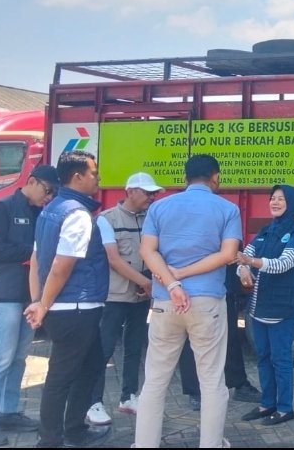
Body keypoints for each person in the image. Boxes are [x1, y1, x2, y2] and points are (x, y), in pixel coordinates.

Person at [134, 154, 242, 449]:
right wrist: (184, 274)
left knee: (155, 381)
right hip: (207, 303)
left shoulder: (159, 207)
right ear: (215, 176)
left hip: (165, 301)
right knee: (211, 382)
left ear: (185, 178)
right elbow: (227, 254)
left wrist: (172, 281)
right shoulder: (228, 209)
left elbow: (147, 251)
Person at [24, 151, 111, 448]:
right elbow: (62, 266)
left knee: (90, 367)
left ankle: (74, 430)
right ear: (78, 176)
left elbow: (37, 260)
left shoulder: (50, 209)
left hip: (68, 307)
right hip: (76, 308)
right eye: (94, 173)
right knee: (62, 377)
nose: (97, 179)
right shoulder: (77, 213)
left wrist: (39, 300)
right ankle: (50, 440)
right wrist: (43, 304)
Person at [0, 165, 58, 447]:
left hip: (26, 297)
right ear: (31, 182)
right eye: (47, 190)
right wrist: (33, 254)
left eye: (53, 193)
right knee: (1, 357)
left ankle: (8, 411)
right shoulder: (1, 207)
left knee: (19, 357)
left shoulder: (39, 213)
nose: (49, 196)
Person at [84, 172, 161, 426]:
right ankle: (92, 402)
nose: (152, 197)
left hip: (140, 296)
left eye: (153, 193)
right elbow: (113, 259)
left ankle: (128, 396)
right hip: (115, 296)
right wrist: (145, 282)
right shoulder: (106, 220)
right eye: (147, 192)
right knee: (103, 349)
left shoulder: (150, 218)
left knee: (135, 348)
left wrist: (148, 282)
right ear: (129, 192)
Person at [236, 185, 294, 426]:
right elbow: (242, 258)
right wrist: (243, 269)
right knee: (263, 356)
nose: (275, 202)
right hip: (259, 308)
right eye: (273, 198)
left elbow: (283, 264)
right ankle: (266, 403)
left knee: (281, 359)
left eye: (281, 199)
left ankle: (284, 408)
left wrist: (251, 262)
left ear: (292, 203)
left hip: (283, 308)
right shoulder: (264, 232)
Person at [177, 265, 262, 411]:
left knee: (230, 335)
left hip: (221, 283)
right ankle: (195, 392)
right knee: (190, 339)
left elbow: (233, 248)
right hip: (190, 286)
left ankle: (239, 383)